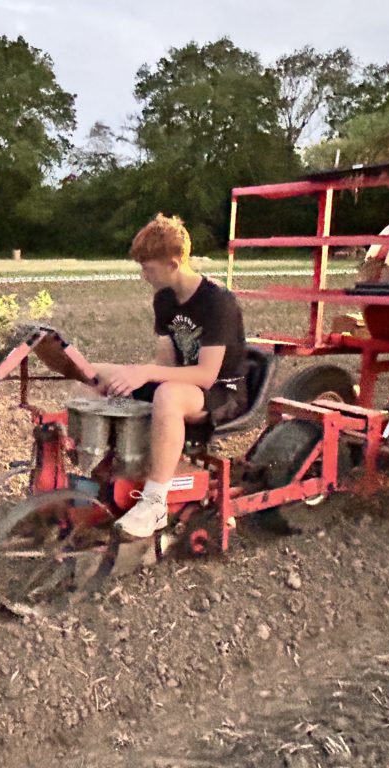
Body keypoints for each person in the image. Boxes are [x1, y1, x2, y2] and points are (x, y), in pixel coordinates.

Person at [95, 214, 247, 539]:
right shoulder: (164, 299)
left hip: (222, 391)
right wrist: (133, 377)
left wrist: (147, 374)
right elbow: (165, 361)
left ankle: (155, 503)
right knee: (101, 373)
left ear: (174, 264)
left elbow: (206, 375)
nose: (142, 275)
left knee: (167, 395)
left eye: (148, 267)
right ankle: (99, 470)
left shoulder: (217, 302)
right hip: (182, 382)